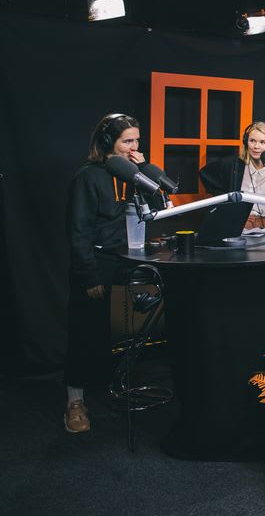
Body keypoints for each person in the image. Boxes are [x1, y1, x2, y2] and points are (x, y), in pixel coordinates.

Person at [64, 113, 149, 433]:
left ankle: (115, 385)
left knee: (123, 330)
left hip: (126, 258)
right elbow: (79, 230)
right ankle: (74, 402)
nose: (133, 147)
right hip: (96, 262)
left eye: (136, 140)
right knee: (85, 331)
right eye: (127, 141)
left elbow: (153, 207)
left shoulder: (133, 174)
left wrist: (144, 171)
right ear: (107, 142)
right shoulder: (88, 176)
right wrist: (89, 275)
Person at [199, 121, 265, 231]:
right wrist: (224, 197)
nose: (256, 146)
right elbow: (205, 173)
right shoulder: (234, 164)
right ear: (246, 141)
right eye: (252, 141)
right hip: (242, 224)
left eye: (262, 142)